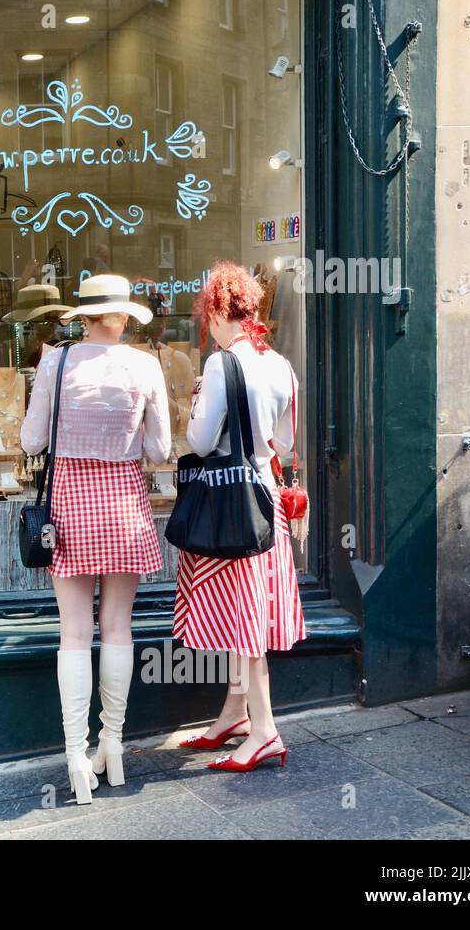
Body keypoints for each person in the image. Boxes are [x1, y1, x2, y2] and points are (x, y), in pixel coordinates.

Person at [21, 274, 171, 803]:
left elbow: (31, 439)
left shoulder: (56, 363)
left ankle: (75, 757)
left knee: (75, 633)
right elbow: (160, 450)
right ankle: (114, 745)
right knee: (118, 628)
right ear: (124, 316)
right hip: (124, 504)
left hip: (69, 506)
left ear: (81, 316)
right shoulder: (145, 365)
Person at [173, 261, 306, 772]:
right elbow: (287, 442)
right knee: (247, 614)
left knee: (244, 621)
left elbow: (201, 441)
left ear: (214, 313)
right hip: (265, 504)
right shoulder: (281, 365)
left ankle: (266, 729)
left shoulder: (220, 364)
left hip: (229, 508)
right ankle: (235, 711)